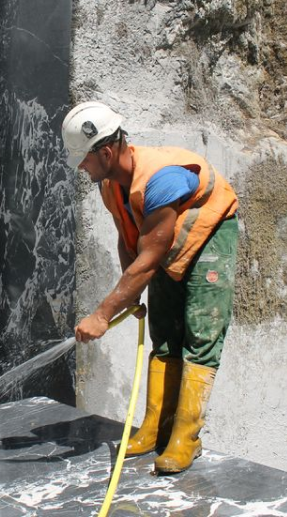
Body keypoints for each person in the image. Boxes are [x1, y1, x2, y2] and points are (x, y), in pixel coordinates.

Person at [62, 101, 238, 474]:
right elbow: (130, 241)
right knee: (164, 332)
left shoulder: (161, 179)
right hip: (166, 242)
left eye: (83, 159)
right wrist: (131, 298)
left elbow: (151, 257)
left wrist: (103, 315)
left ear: (105, 152)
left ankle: (185, 438)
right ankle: (156, 428)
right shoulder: (111, 185)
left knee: (200, 333)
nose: (81, 167)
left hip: (210, 236)